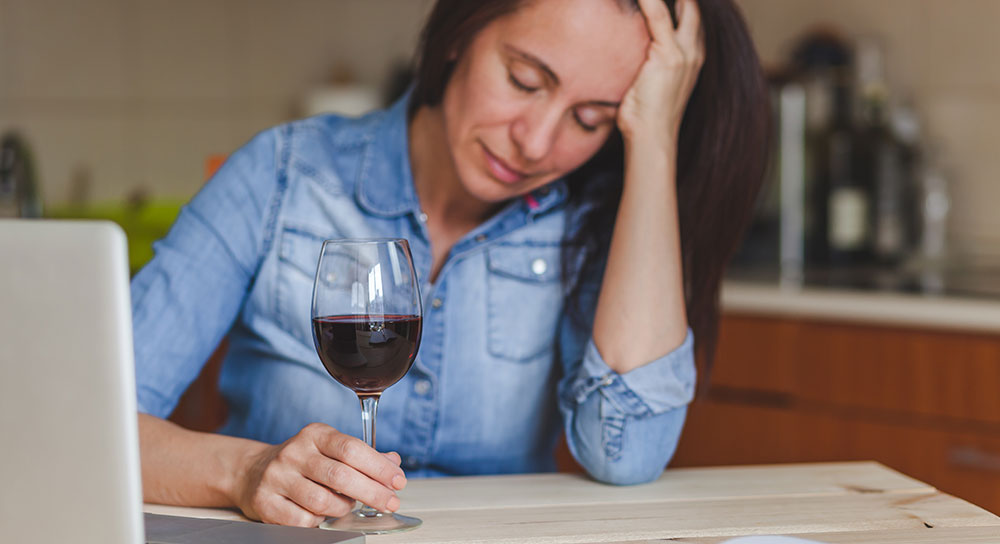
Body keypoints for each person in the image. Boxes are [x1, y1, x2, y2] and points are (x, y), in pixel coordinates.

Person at [133, 0, 769, 528]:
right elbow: (92, 426)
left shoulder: (593, 225)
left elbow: (628, 453)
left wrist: (654, 136)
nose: (537, 142)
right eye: (524, 80)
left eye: (590, 118)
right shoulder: (282, 177)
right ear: (459, 34)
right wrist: (246, 472)